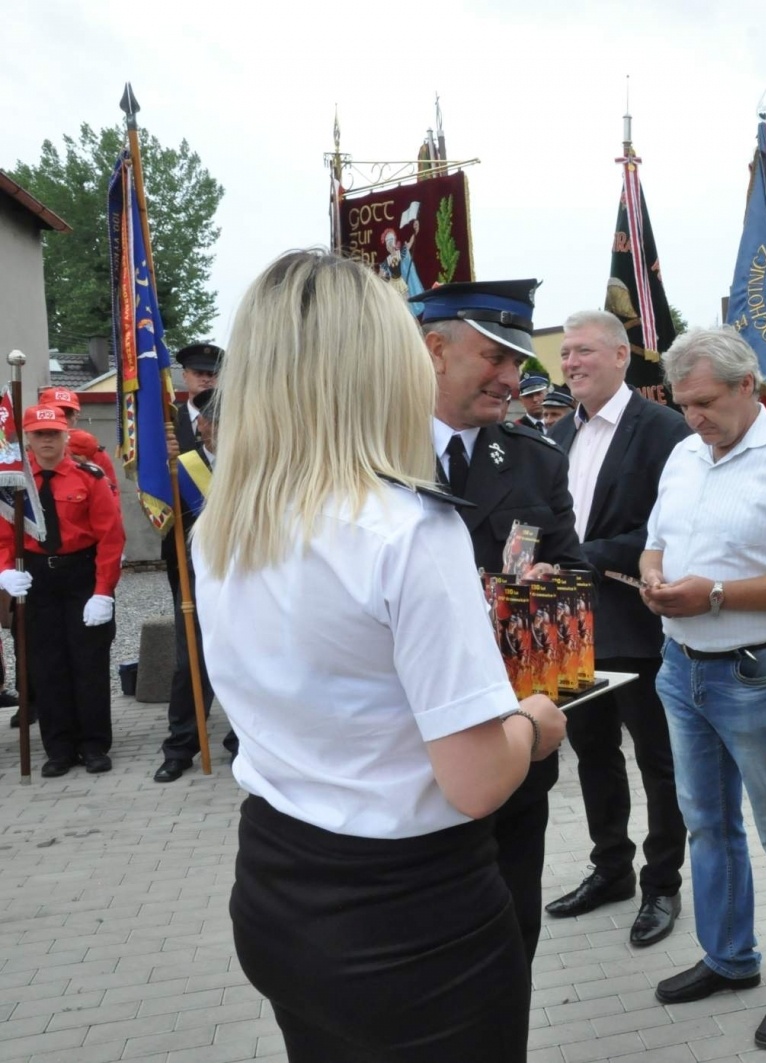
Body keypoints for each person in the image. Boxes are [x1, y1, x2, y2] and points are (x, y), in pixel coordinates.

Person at [194, 249, 566, 1062]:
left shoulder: (226, 520)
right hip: (408, 918)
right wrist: (535, 724)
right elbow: (472, 782)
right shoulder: (406, 528)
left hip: (278, 879)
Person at [640, 328, 766, 1048]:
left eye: (706, 402)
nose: (693, 417)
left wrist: (714, 594)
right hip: (681, 665)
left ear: (750, 385)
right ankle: (729, 957)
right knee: (707, 824)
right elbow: (657, 537)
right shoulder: (685, 453)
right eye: (683, 403)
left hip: (758, 671)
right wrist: (655, 574)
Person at [411, 277, 587, 963]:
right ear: (435, 349)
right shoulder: (373, 457)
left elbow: (575, 570)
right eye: (496, 357)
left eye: (519, 361)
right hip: (413, 747)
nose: (514, 376)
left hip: (511, 726)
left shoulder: (533, 460)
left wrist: (550, 587)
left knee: (512, 925)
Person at [544, 309, 692, 945]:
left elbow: (674, 529)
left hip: (635, 626)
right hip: (570, 630)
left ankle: (663, 884)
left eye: (582, 352)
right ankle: (611, 869)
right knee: (594, 754)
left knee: (659, 762)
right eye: (566, 354)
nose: (570, 362)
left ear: (620, 356)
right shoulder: (553, 435)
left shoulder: (663, 430)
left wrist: (584, 556)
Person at [0, 405, 125, 777]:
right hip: (37, 578)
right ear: (27, 439)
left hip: (81, 574)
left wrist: (104, 591)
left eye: (54, 433)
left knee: (88, 663)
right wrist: (5, 572)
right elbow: (5, 536)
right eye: (39, 434)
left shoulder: (89, 476)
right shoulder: (13, 482)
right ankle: (59, 747)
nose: (47, 440)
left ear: (66, 435)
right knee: (46, 665)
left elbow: (110, 537)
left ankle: (94, 744)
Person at [153, 387, 237, 782]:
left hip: (247, 573)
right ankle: (182, 744)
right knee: (191, 660)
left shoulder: (253, 463)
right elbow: (168, 522)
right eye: (212, 420)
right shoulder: (181, 466)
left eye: (226, 419)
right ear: (200, 424)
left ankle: (244, 739)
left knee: (246, 658)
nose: (218, 427)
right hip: (197, 574)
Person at [38, 386, 118, 490]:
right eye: (53, 413)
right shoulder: (29, 454)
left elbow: (111, 498)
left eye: (67, 413)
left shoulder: (96, 453)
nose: (60, 420)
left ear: (76, 416)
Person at [171, 343, 221, 452]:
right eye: (198, 373)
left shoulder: (232, 418)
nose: (206, 379)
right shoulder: (169, 420)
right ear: (184, 376)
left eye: (211, 374)